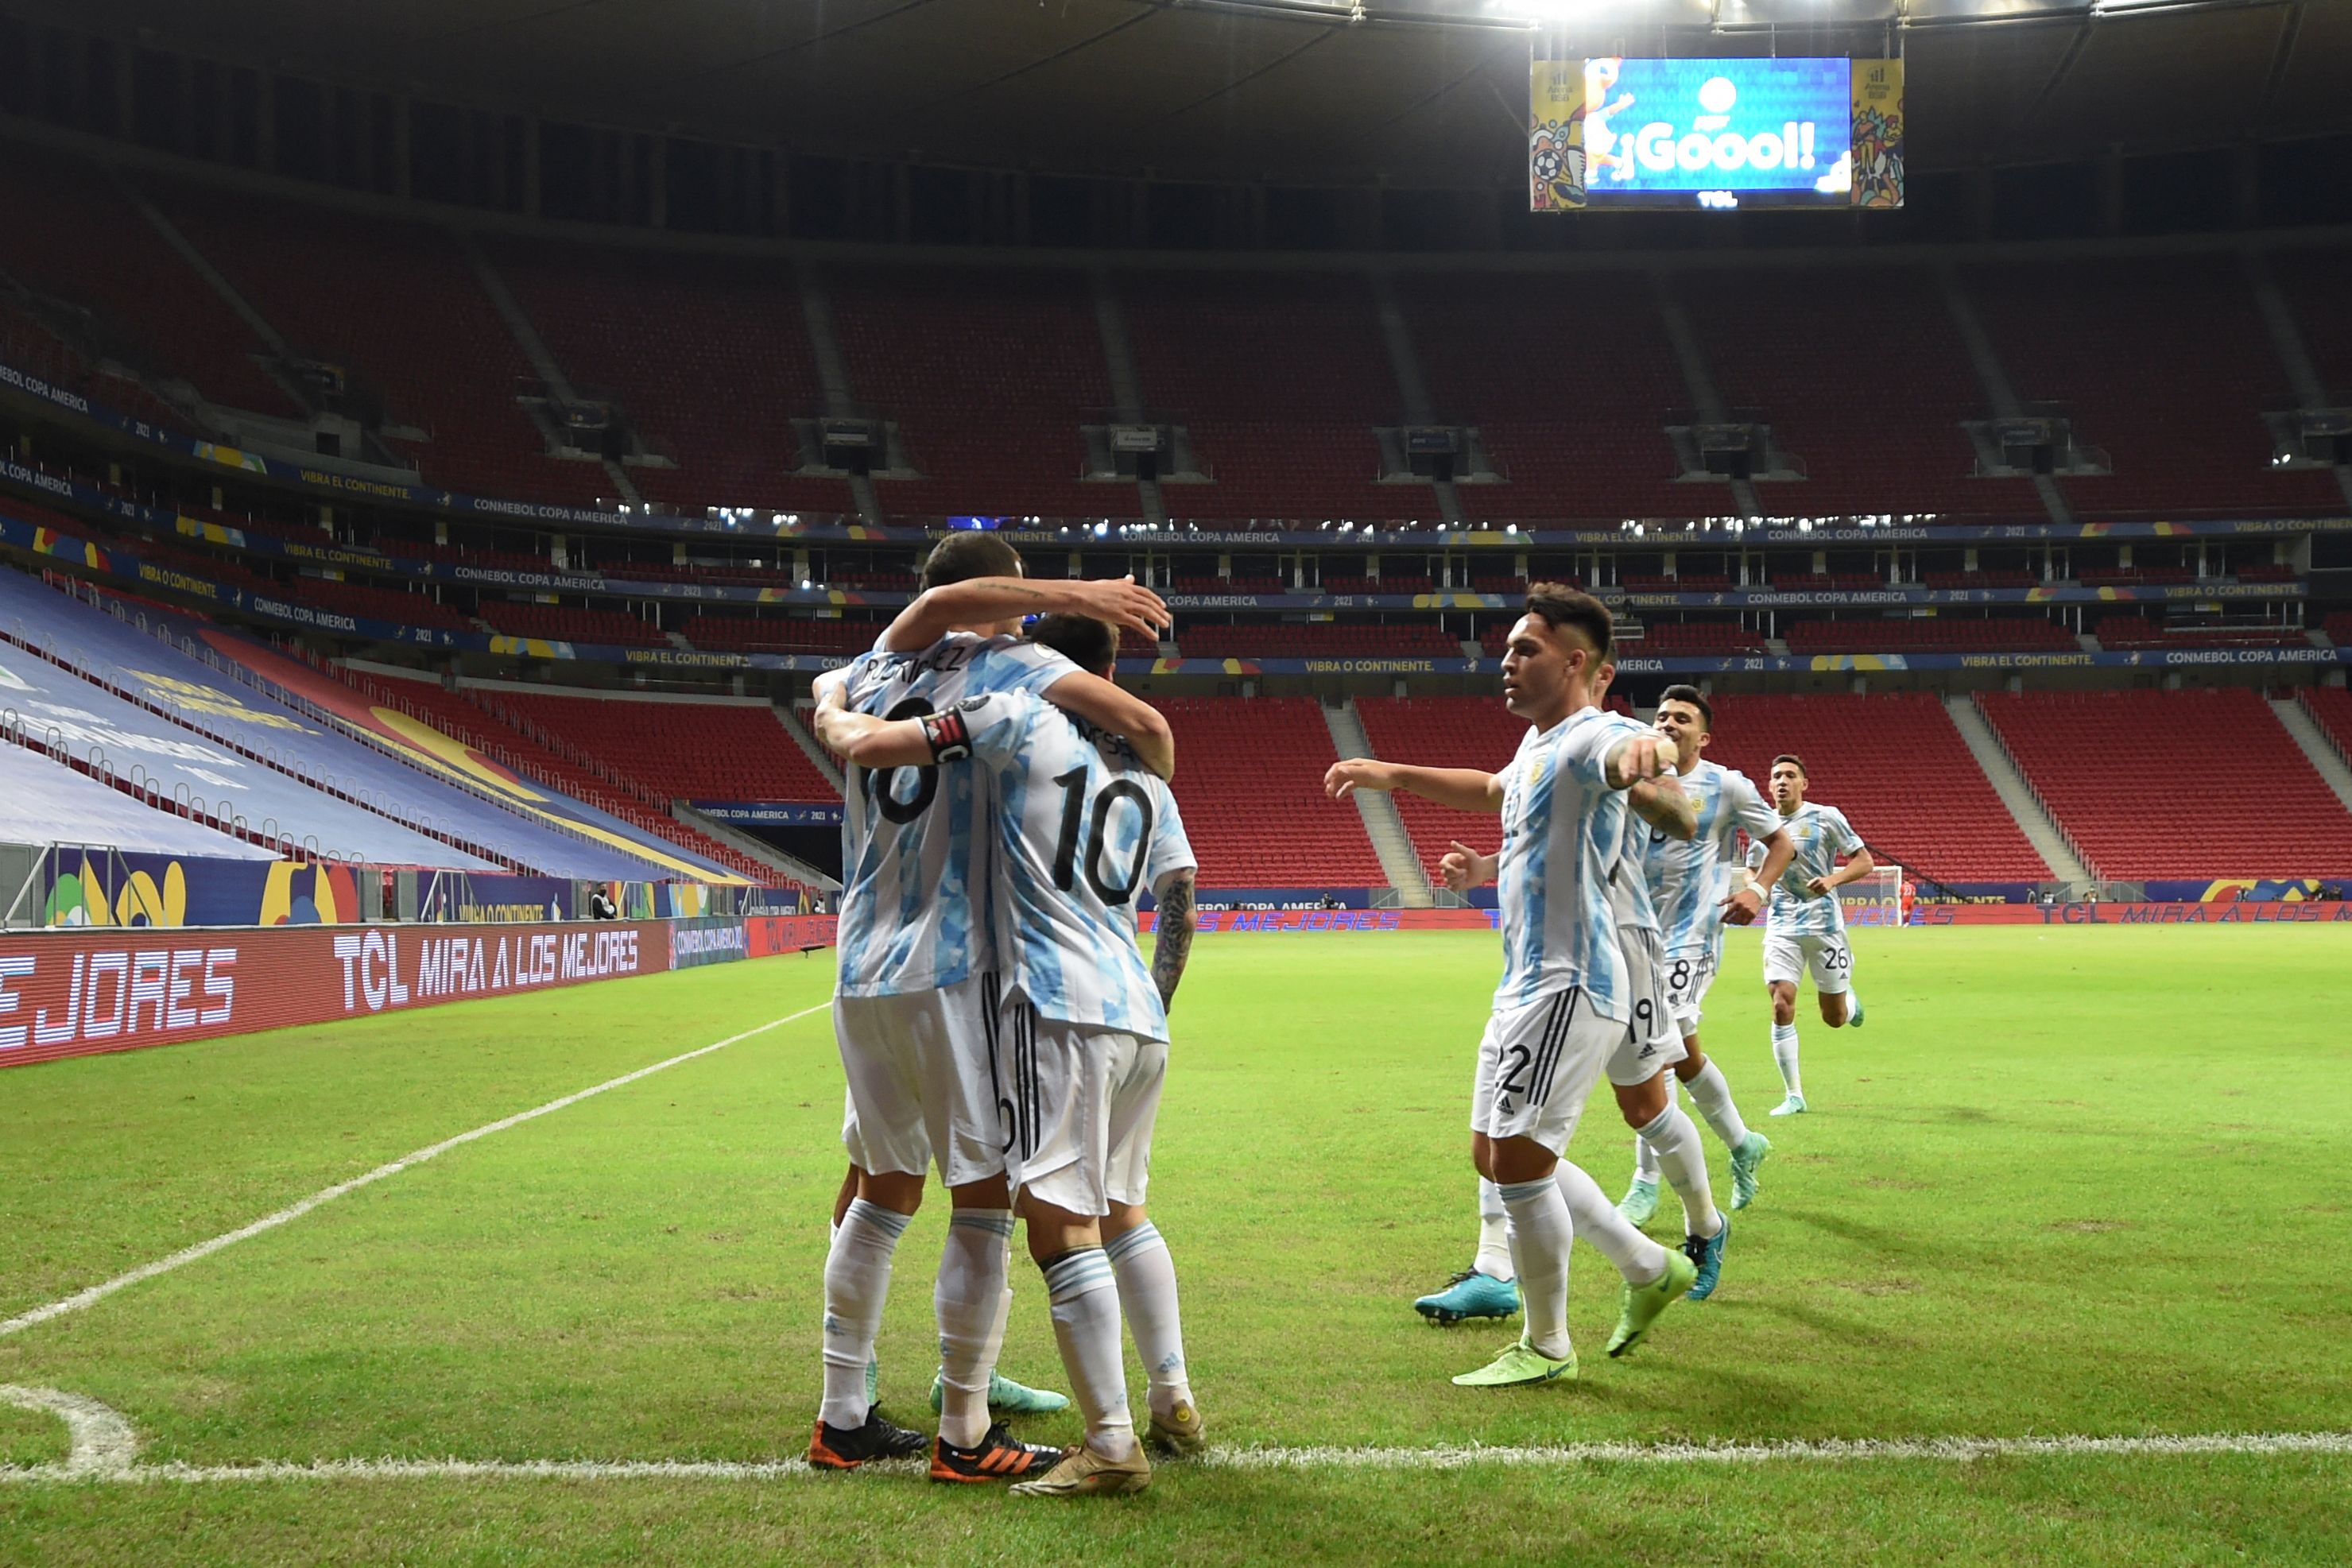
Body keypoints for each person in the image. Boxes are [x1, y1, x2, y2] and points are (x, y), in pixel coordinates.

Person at [804, 533, 1175, 1477]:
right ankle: (964, 1432)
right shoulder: (1013, 668)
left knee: (881, 1187)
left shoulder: (868, 670)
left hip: (860, 962)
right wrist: (1085, 602)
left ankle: (841, 1414)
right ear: (998, 598)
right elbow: (1140, 721)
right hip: (952, 960)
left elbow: (843, 687)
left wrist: (832, 706)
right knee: (983, 1204)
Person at [1323, 586, 1699, 1386]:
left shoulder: (1598, 731)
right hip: (1523, 981)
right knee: (1496, 1156)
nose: (1507, 661)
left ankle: (1548, 1341)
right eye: (1505, 649)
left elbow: (1642, 764)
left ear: (1576, 662)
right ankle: (1644, 1265)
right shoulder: (1537, 748)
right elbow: (1491, 789)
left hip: (1571, 979)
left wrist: (1653, 760)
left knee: (1522, 1164)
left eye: (1526, 649)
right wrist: (1390, 772)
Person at [1618, 685, 1793, 1233]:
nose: (1668, 723)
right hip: (1631, 936)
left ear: (1703, 735)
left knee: (1652, 1051)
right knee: (1684, 1054)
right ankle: (1744, 1144)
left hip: (1691, 938)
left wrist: (1757, 890)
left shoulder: (1726, 784)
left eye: (1682, 718)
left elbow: (1781, 842)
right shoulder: (1629, 777)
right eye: (1662, 715)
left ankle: (1644, 1183)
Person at [1743, 753, 1873, 1117]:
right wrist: (1757, 889)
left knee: (1833, 1018)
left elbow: (1865, 861)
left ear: (1804, 784)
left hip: (1825, 927)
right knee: (1781, 1002)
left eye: (1790, 775)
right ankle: (1794, 1095)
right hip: (1783, 925)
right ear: (1768, 786)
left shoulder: (1825, 817)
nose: (1782, 781)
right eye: (1776, 777)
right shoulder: (1763, 825)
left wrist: (1832, 880)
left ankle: (1849, 1001)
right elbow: (1751, 870)